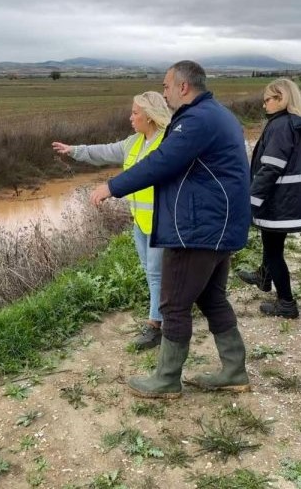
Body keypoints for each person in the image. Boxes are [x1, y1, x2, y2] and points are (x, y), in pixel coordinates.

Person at [90, 61, 252, 398]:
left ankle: (166, 380)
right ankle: (234, 371)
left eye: (166, 86)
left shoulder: (196, 120)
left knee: (174, 304)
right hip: (219, 225)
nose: (163, 93)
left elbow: (160, 162)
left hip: (198, 229)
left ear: (183, 86)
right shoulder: (219, 114)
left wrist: (112, 187)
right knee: (211, 297)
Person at [52, 91, 172, 351]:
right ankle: (169, 311)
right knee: (151, 271)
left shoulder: (168, 142)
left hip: (163, 222)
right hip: (141, 221)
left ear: (150, 117)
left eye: (135, 113)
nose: (131, 117)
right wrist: (74, 151)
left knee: (156, 274)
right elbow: (105, 152)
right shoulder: (134, 142)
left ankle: (156, 326)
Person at [237, 78, 301, 319]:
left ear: (281, 98)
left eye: (267, 99)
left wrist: (250, 201)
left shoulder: (280, 126)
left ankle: (286, 303)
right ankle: (264, 276)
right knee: (273, 244)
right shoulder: (299, 124)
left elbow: (271, 168)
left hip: (280, 201)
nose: (264, 105)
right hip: (294, 199)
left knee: (274, 251)